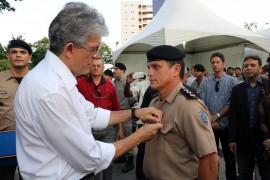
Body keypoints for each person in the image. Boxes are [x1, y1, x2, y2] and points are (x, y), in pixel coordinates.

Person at [14, 2, 163, 179]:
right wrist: (139, 136)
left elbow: (91, 114)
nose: (95, 58)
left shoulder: (56, 79)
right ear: (69, 49)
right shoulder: (51, 90)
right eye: (93, 49)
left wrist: (135, 112)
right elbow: (90, 158)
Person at [143, 45, 219, 180]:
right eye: (149, 67)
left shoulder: (189, 106)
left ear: (176, 69)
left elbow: (209, 160)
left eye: (156, 67)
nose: (149, 73)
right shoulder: (154, 102)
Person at [76, 58, 123, 180]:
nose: (96, 67)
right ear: (89, 67)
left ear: (103, 68)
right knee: (92, 162)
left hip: (108, 130)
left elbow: (116, 108)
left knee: (108, 161)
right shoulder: (80, 83)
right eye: (93, 65)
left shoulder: (110, 86)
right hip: (89, 130)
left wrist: (120, 129)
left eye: (98, 66)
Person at [198, 52, 238, 179]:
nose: (215, 65)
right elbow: (200, 102)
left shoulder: (233, 81)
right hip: (209, 126)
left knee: (229, 158)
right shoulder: (205, 82)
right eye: (212, 62)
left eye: (217, 62)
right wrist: (208, 120)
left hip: (226, 126)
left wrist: (218, 117)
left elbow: (233, 103)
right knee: (211, 159)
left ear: (224, 63)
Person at [229, 55, 270, 179]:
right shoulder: (237, 89)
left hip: (265, 139)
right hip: (243, 139)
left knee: (266, 173)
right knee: (244, 173)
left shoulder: (268, 87)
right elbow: (233, 115)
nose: (248, 68)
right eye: (246, 66)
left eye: (253, 65)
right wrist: (232, 139)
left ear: (261, 68)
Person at [0, 39, 32, 180]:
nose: (18, 55)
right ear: (8, 56)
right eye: (14, 52)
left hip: (33, 142)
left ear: (29, 57)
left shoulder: (39, 80)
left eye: (23, 52)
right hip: (4, 141)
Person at [113, 62, 136, 173]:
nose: (114, 71)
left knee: (127, 136)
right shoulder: (116, 82)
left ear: (122, 70)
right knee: (118, 135)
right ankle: (122, 157)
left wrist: (128, 110)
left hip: (125, 112)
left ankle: (130, 161)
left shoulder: (127, 82)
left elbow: (133, 98)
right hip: (116, 113)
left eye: (116, 69)